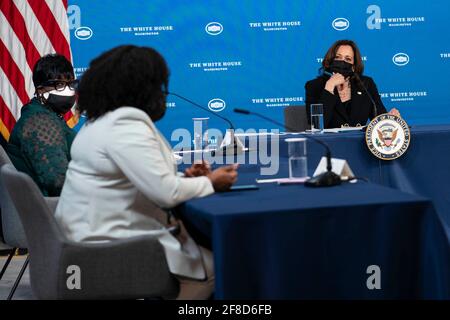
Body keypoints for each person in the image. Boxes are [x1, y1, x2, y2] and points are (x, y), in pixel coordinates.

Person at [54, 45, 239, 300]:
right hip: (110, 246)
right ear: (142, 88)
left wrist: (185, 179)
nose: (164, 93)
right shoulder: (125, 125)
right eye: (160, 85)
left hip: (84, 238)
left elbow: (135, 181)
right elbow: (166, 194)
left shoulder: (99, 122)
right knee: (221, 265)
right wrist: (211, 182)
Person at [7, 54, 77, 196]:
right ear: (40, 89)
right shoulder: (39, 121)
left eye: (70, 84)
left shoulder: (47, 115)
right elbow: (57, 180)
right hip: (56, 209)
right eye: (59, 85)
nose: (68, 91)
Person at [305, 39, 400, 129]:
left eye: (348, 59)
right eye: (338, 57)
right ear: (330, 61)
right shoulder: (314, 86)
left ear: (354, 66)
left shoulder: (366, 84)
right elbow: (317, 125)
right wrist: (329, 87)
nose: (342, 62)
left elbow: (379, 118)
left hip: (359, 143)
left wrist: (390, 119)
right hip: (328, 144)